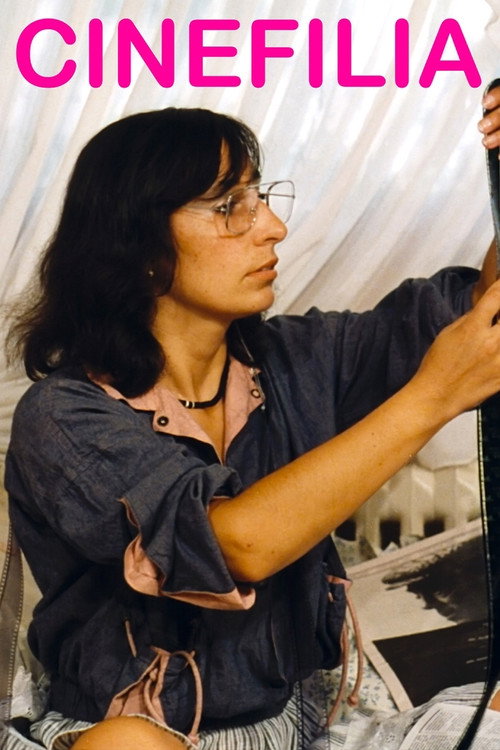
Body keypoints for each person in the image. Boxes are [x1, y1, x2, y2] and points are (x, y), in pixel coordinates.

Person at [5, 88, 500, 750]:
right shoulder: (63, 418)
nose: (272, 227)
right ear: (139, 241)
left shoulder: (298, 358)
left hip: (300, 724)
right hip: (143, 733)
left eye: (260, 198)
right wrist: (432, 397)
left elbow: (482, 312)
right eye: (229, 207)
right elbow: (237, 546)